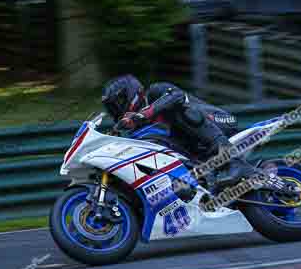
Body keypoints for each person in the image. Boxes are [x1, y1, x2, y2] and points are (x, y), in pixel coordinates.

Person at [101, 75, 264, 189]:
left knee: (178, 110)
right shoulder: (136, 128)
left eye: (116, 105)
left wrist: (144, 114)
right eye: (112, 109)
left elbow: (177, 96)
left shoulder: (156, 91)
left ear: (129, 94)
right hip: (198, 150)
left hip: (220, 122)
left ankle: (233, 159)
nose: (116, 112)